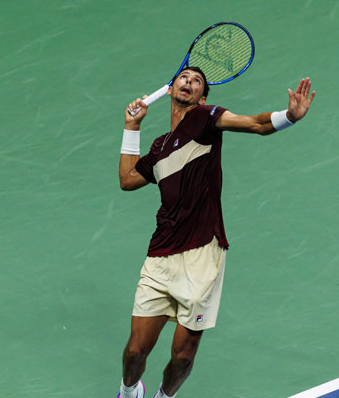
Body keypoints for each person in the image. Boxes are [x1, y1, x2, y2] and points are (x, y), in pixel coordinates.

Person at [116, 67, 315, 398]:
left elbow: (254, 123)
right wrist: (132, 126)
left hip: (201, 256)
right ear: (171, 89)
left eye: (197, 82)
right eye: (184, 77)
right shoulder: (160, 147)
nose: (189, 82)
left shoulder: (206, 118)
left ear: (202, 97)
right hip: (160, 255)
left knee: (182, 355)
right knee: (135, 351)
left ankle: (164, 396)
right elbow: (127, 180)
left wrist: (288, 117)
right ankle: (129, 391)